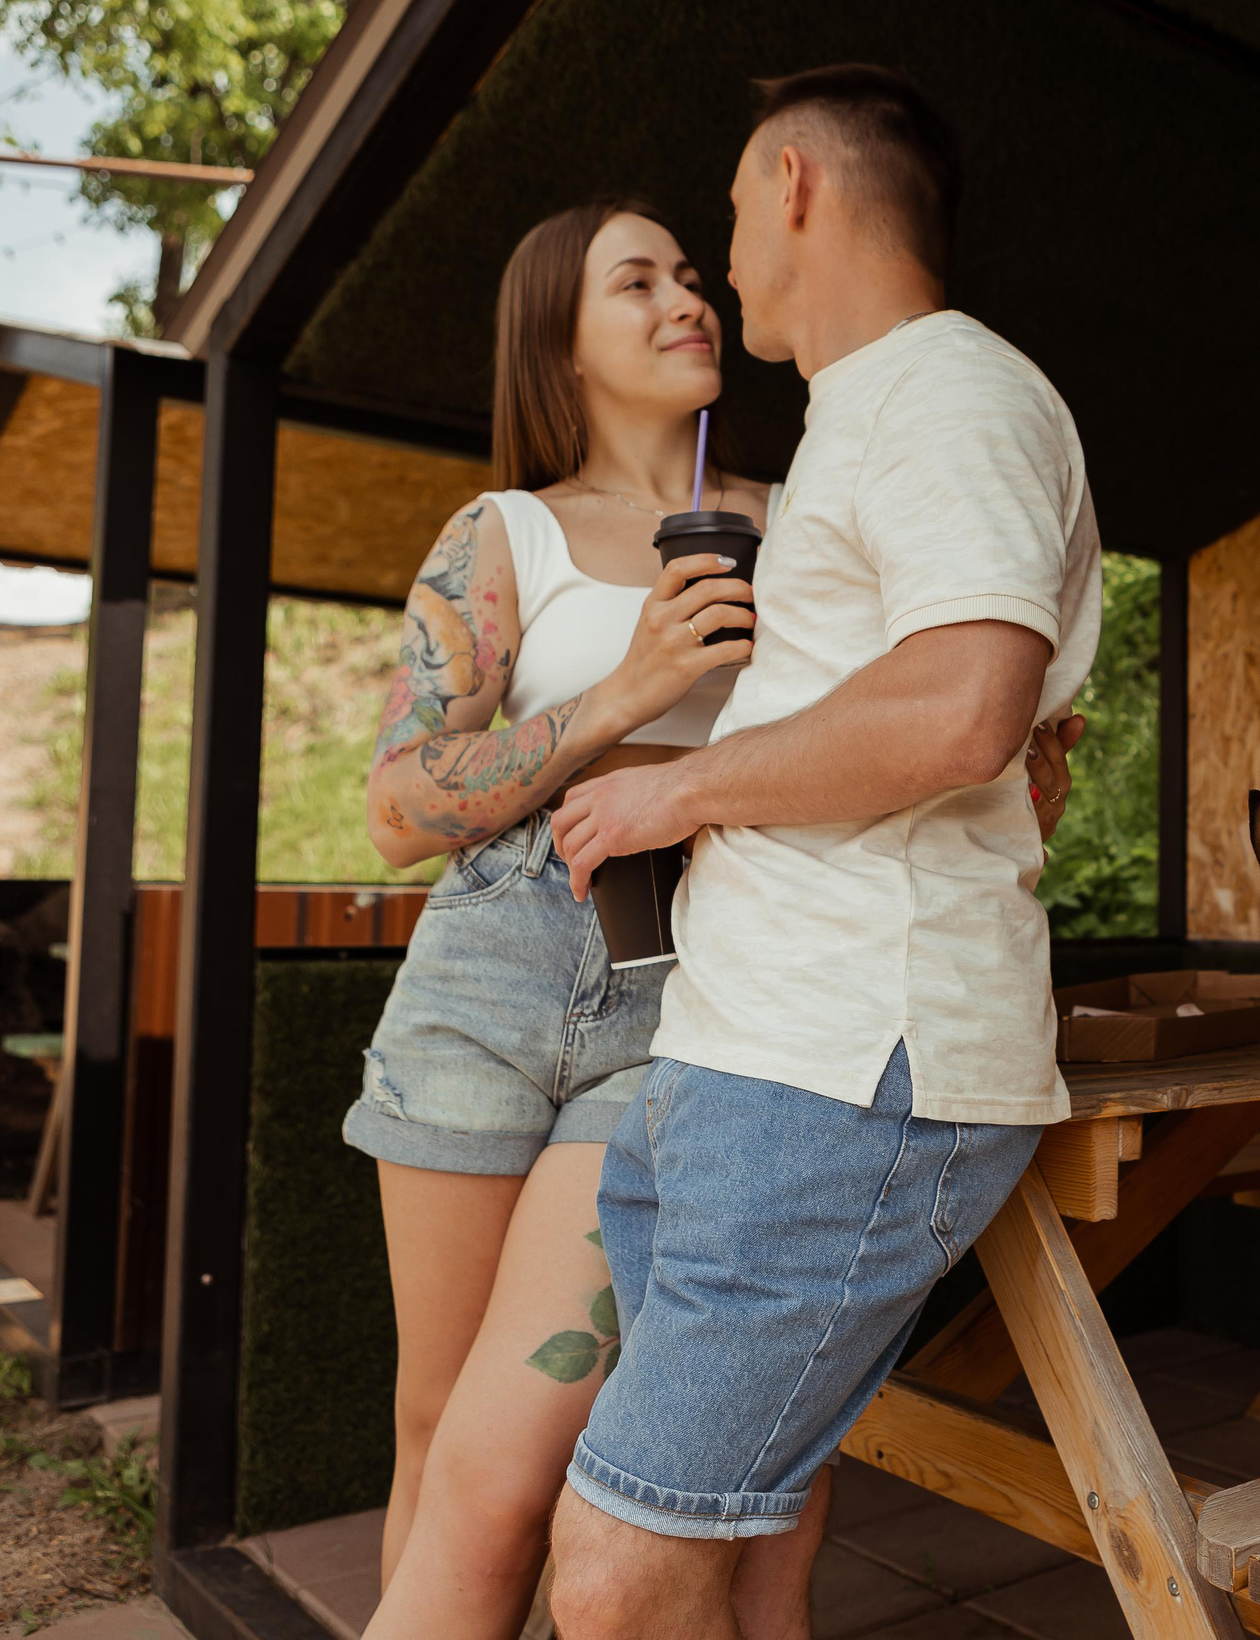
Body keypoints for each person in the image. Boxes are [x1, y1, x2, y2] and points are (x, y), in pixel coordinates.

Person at [344, 193, 1084, 1640]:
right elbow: (395, 805)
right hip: (488, 970)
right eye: (638, 283)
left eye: (693, 272)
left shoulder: (796, 513)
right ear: (558, 344)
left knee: (517, 1463)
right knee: (434, 1434)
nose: (688, 298)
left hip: (693, 979)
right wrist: (623, 690)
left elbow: (924, 714)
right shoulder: (503, 532)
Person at [541, 65, 1103, 1639]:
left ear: (794, 180)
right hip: (759, 1057)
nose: (722, 252)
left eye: (726, 210)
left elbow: (962, 705)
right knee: (727, 1545)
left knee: (617, 1573)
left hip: (843, 1071)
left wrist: (674, 794)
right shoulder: (878, 413)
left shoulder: (947, 392)